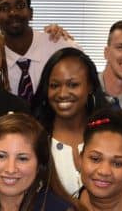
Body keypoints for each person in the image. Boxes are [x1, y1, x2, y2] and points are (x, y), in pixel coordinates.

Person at [33, 48, 110, 195]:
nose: (62, 94)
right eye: (54, 85)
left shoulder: (110, 132)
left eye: (73, 85)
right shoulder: (34, 137)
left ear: (90, 86)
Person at [0, 0, 76, 103]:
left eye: (20, 6)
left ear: (31, 13)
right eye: (4, 8)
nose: (13, 13)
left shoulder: (59, 46)